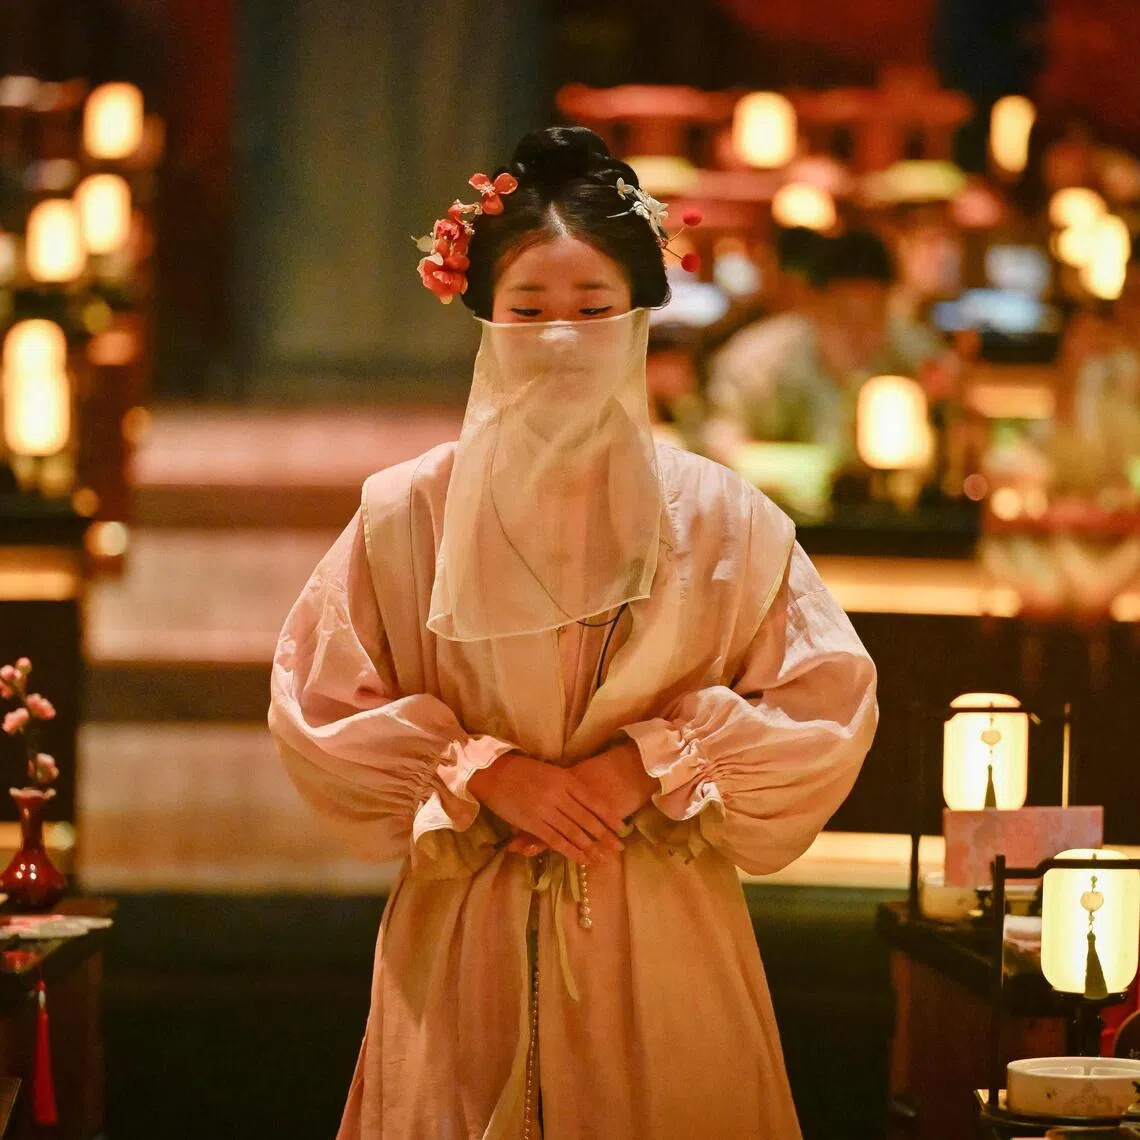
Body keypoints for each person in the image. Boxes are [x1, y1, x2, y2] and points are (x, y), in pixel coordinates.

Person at [268, 125, 878, 1140]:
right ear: (483, 316)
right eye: (529, 311)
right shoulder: (405, 513)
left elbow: (824, 707)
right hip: (467, 926)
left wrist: (652, 762)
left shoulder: (725, 517)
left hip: (661, 930)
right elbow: (319, 708)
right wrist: (481, 770)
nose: (560, 339)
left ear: (638, 319)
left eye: (593, 311)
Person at [703, 228, 940, 462]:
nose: (858, 332)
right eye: (843, 316)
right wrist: (797, 471)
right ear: (813, 305)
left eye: (874, 317)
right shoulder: (757, 360)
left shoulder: (913, 351)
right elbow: (718, 442)